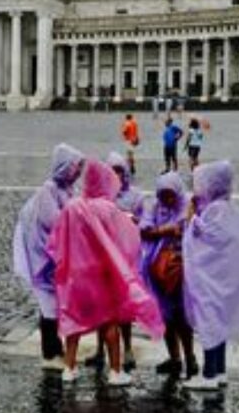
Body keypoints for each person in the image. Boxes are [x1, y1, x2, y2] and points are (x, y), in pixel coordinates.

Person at [47, 160, 164, 386]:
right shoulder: (108, 208)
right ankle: (115, 371)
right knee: (109, 321)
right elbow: (126, 239)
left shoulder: (72, 206)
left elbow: (57, 238)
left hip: (76, 274)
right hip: (102, 273)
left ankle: (69, 368)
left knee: (73, 320)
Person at [181, 161, 239, 391]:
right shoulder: (231, 210)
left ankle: (210, 374)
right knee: (219, 325)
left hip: (210, 282)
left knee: (210, 324)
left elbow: (200, 233)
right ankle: (220, 370)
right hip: (224, 280)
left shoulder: (213, 211)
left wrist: (192, 214)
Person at [12, 143, 85, 369]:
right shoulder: (48, 190)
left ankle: (55, 347)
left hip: (58, 258)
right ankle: (50, 351)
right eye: (76, 167)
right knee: (48, 305)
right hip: (44, 259)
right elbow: (53, 221)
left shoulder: (66, 190)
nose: (79, 172)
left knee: (56, 303)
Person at [82, 152, 145, 373]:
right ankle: (100, 349)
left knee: (124, 308)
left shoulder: (134, 197)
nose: (116, 174)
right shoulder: (100, 196)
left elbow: (143, 224)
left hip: (125, 259)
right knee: (100, 307)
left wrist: (132, 221)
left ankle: (127, 348)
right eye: (112, 170)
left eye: (119, 170)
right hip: (101, 258)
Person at [139, 172, 198, 380]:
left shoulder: (187, 206)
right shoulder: (154, 206)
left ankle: (190, 357)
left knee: (182, 317)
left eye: (171, 194)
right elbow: (143, 230)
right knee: (166, 318)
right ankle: (174, 358)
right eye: (163, 195)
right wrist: (165, 230)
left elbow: (192, 229)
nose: (168, 199)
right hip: (157, 270)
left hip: (181, 270)